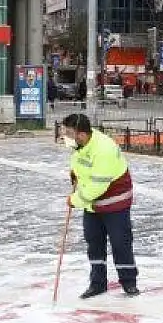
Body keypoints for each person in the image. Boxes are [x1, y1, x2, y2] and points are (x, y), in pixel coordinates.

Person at [61, 113, 138, 298]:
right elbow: (80, 164)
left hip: (114, 202)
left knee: (120, 243)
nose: (66, 136)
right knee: (94, 243)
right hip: (93, 205)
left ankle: (128, 282)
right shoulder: (82, 145)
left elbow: (97, 186)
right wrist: (74, 173)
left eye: (69, 132)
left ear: (81, 134)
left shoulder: (104, 149)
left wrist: (75, 200)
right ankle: (97, 283)